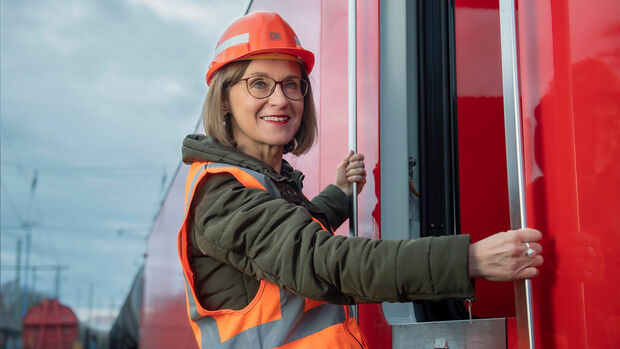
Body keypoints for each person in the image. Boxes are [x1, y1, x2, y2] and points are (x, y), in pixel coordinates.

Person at [177, 11, 543, 349]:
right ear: (224, 100)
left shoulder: (266, 180)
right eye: (259, 84)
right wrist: (468, 259)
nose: (280, 99)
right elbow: (320, 261)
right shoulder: (221, 195)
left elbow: (290, 239)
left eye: (292, 85)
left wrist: (338, 194)